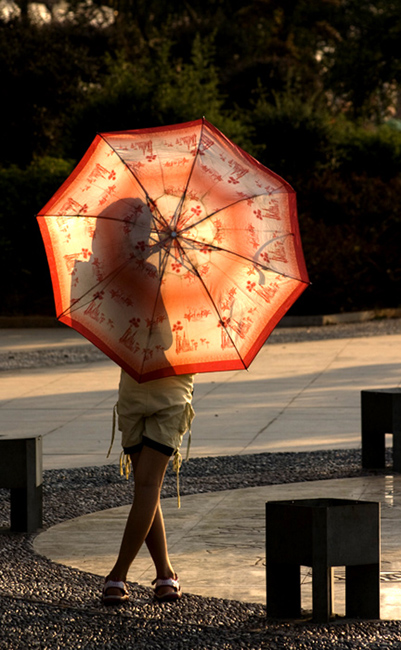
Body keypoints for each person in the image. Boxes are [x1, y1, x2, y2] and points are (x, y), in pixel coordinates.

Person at [102, 370, 195, 605]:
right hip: (171, 394)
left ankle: (165, 574)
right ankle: (117, 577)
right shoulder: (188, 329)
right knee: (148, 486)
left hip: (133, 390)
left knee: (146, 488)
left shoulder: (130, 329)